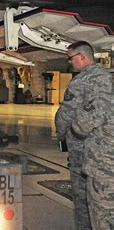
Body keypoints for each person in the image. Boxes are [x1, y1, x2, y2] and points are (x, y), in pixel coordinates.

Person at [56, 41, 112, 229]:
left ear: (82, 57)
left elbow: (65, 116)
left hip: (86, 150)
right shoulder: (109, 78)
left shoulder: (81, 81)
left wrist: (62, 137)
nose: (70, 62)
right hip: (109, 150)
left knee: (83, 198)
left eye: (71, 58)